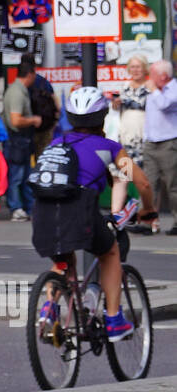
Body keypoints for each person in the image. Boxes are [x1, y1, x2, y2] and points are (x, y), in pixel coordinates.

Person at [32, 87, 155, 343]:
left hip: (43, 210)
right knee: (110, 252)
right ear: (102, 116)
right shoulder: (109, 147)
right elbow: (142, 183)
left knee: (62, 263)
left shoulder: (57, 143)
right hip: (79, 208)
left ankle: (48, 310)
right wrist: (147, 210)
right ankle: (113, 321)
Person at [2, 59, 42, 221]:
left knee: (25, 176)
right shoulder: (17, 93)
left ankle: (27, 208)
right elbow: (16, 120)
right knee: (16, 176)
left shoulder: (20, 90)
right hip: (16, 139)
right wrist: (33, 120)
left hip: (22, 140)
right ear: (30, 74)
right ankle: (16, 208)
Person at [143, 60, 177, 236]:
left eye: (153, 74)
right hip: (151, 142)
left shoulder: (173, 89)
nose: (150, 78)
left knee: (173, 185)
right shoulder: (153, 90)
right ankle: (148, 222)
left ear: (163, 76)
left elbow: (165, 105)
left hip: (169, 142)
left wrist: (155, 90)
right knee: (148, 184)